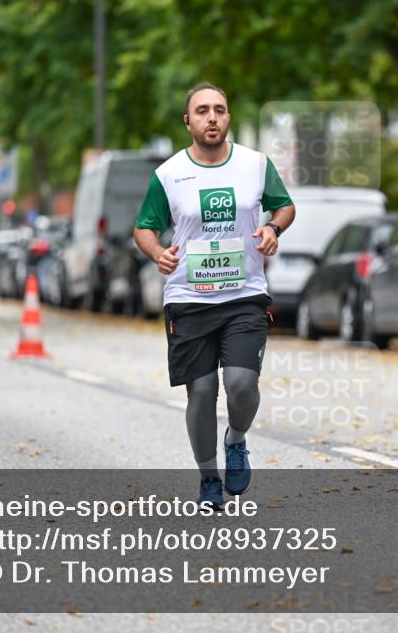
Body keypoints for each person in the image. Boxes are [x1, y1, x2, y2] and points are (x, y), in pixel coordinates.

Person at [134, 83, 295, 509]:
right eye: (202, 110)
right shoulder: (169, 174)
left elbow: (284, 205)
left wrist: (272, 228)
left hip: (244, 295)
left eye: (219, 110)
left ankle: (236, 439)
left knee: (241, 384)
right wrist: (157, 253)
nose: (212, 117)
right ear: (188, 121)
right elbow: (144, 227)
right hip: (189, 298)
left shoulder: (255, 164)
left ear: (228, 118)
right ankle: (208, 477)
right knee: (202, 391)